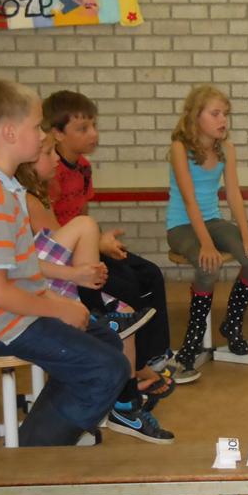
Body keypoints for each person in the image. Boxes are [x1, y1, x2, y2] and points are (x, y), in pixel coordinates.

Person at [0, 78, 130, 446]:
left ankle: (44, 431)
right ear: (10, 133)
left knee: (105, 340)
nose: (43, 135)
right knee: (107, 368)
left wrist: (59, 301)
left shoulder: (5, 188)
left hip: (16, 313)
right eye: (36, 126)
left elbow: (23, 267)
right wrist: (58, 308)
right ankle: (33, 453)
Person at [15, 133, 175, 443]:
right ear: (28, 164)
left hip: (51, 279)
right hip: (37, 289)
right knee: (88, 229)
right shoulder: (24, 199)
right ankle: (99, 311)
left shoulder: (35, 194)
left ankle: (126, 405)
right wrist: (78, 272)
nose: (56, 159)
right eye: (48, 153)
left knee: (125, 314)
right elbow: (29, 261)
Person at [43, 90, 175, 383]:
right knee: (126, 284)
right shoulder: (50, 171)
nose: (93, 134)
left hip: (87, 245)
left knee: (150, 274)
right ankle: (132, 364)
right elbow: (54, 237)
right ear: (58, 134)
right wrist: (97, 243)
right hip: (65, 258)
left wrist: (103, 241)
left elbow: (84, 213)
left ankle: (156, 354)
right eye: (82, 128)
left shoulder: (83, 167)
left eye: (94, 125)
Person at [166, 85, 248, 382]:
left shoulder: (226, 149)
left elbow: (233, 194)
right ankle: (193, 339)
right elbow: (189, 201)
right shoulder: (179, 148)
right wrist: (206, 244)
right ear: (195, 117)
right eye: (215, 114)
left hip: (212, 220)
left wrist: (246, 236)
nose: (223, 120)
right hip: (182, 225)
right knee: (207, 263)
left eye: (225, 114)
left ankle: (232, 324)